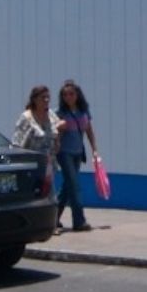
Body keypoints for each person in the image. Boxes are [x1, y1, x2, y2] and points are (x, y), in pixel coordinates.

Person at [55, 80, 100, 232]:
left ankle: (52, 218)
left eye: (71, 94)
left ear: (77, 95)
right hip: (64, 153)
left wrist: (94, 149)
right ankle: (79, 221)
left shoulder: (83, 112)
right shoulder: (60, 113)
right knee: (74, 186)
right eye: (65, 94)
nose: (68, 97)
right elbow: (54, 133)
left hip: (77, 152)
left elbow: (89, 131)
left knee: (67, 187)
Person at [11, 85, 59, 212]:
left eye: (48, 98)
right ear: (35, 99)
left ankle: (52, 224)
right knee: (31, 198)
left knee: (50, 196)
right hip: (31, 165)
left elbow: (57, 131)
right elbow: (17, 143)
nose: (46, 101)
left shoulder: (51, 115)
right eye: (43, 98)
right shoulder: (26, 118)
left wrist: (58, 142)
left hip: (48, 164)